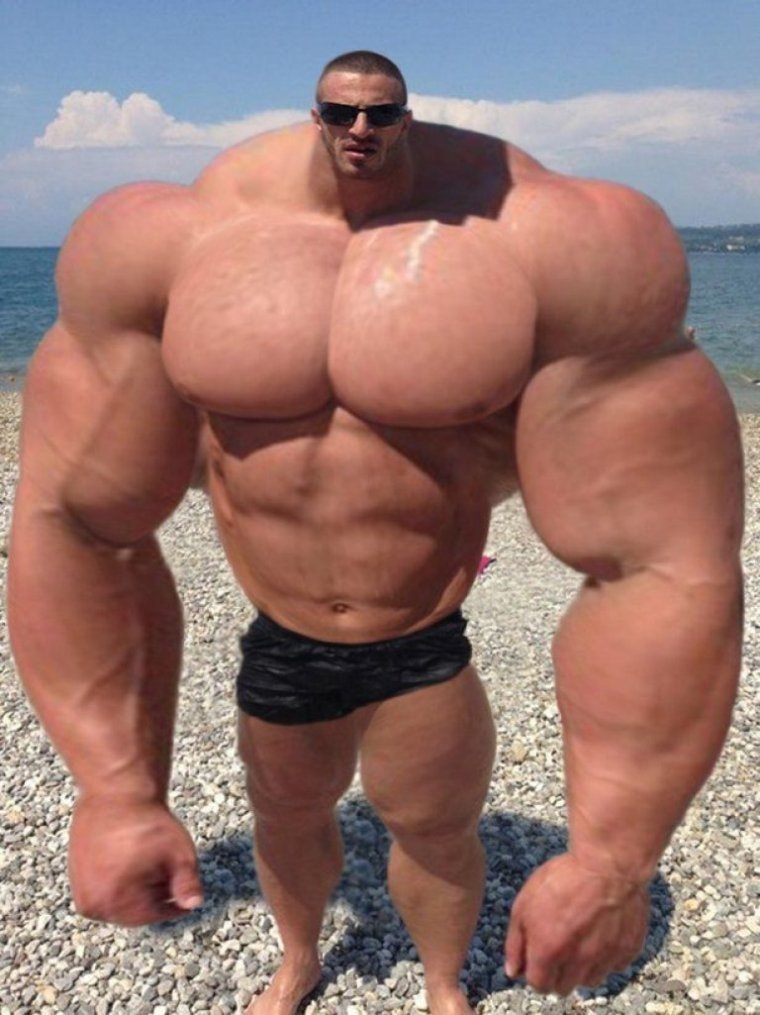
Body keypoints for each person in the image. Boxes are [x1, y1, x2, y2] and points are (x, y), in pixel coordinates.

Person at [7, 50, 743, 1014]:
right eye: (342, 112)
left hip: (418, 636)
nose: (362, 129)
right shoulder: (164, 242)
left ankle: (442, 984)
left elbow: (662, 559)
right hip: (284, 635)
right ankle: (300, 960)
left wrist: (613, 858)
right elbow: (78, 519)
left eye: (381, 113)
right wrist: (115, 788)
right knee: (285, 817)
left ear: (406, 116)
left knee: (436, 830)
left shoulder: (558, 239)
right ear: (315, 114)